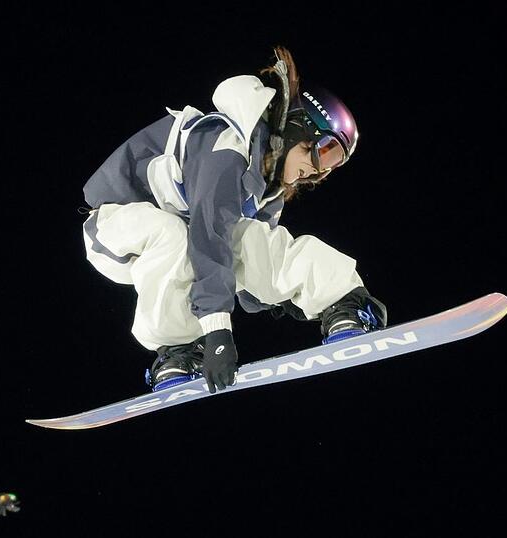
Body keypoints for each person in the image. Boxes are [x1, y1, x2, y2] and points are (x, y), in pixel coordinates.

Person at [81, 46, 387, 393]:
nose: (317, 172)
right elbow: (208, 235)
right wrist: (217, 333)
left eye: (331, 167)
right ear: (296, 129)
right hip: (112, 226)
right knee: (173, 233)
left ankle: (343, 302)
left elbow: (248, 261)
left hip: (183, 236)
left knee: (248, 235)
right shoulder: (225, 145)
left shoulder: (265, 192)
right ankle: (176, 351)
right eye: (323, 152)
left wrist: (285, 298)